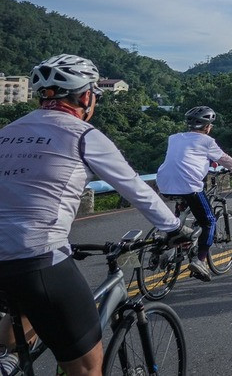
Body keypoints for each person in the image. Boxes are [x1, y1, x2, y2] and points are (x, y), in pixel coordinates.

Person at [0, 54, 190, 376]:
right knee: (87, 368)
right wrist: (173, 228)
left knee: (20, 321)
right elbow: (136, 189)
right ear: (86, 96)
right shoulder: (84, 135)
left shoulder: (7, 132)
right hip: (37, 258)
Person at [154, 106, 232, 282]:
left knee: (181, 212)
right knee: (209, 221)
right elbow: (224, 159)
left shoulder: (173, 138)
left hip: (164, 183)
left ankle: (171, 241)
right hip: (189, 185)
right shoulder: (207, 142)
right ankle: (200, 260)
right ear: (207, 127)